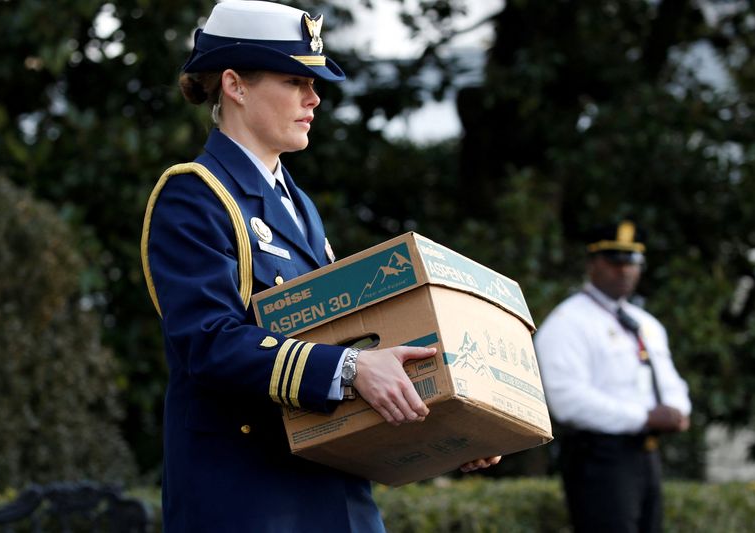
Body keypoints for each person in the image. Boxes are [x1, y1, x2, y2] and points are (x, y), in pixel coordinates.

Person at [140, 2, 497, 531]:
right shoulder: (194, 194)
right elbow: (209, 342)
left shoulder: (297, 203)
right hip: (246, 497)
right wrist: (351, 369)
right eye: (294, 80)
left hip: (332, 492)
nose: (315, 97)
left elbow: (334, 339)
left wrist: (447, 425)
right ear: (235, 85)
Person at [534, 220, 691, 533]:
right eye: (615, 262)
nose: (625, 271)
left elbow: (671, 382)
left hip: (645, 455)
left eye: (633, 263)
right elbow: (567, 400)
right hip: (598, 458)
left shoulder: (646, 323)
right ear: (593, 263)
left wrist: (678, 411)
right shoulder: (568, 322)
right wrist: (645, 417)